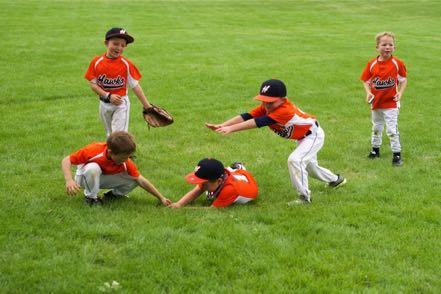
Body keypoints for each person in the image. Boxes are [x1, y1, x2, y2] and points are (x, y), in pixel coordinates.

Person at [205, 79, 346, 205]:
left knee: (295, 160)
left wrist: (231, 129)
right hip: (302, 137)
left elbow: (257, 122)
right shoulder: (266, 107)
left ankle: (304, 198)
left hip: (312, 135)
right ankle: (336, 180)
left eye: (270, 101)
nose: (266, 104)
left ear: (283, 100)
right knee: (309, 167)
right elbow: (247, 116)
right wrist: (223, 125)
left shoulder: (285, 110)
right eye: (263, 100)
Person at [61, 131, 171, 206]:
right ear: (110, 152)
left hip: (102, 179)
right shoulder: (94, 150)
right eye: (123, 157)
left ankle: (113, 196)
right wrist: (69, 180)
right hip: (84, 178)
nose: (126, 159)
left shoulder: (126, 161)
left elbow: (141, 180)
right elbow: (66, 160)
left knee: (134, 179)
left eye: (128, 156)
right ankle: (91, 198)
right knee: (93, 168)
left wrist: (161, 198)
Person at [85, 27, 158, 136]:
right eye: (115, 43)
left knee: (119, 135)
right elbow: (93, 85)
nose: (119, 47)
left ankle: (124, 153)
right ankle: (112, 153)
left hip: (121, 104)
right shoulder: (96, 62)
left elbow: (135, 86)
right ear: (106, 43)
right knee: (110, 134)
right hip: (104, 104)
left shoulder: (126, 64)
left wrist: (148, 107)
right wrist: (108, 96)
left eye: (123, 45)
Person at [360, 32, 408, 166]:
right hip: (376, 103)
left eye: (390, 45)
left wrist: (400, 93)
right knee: (376, 127)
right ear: (377, 47)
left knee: (392, 130)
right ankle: (375, 151)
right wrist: (368, 92)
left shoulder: (397, 63)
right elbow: (365, 80)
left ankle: (397, 155)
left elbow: (403, 80)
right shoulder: (371, 64)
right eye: (384, 44)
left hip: (391, 103)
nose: (387, 47)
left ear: (394, 47)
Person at [169, 158, 258, 208]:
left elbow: (212, 209)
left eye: (204, 183)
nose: (201, 185)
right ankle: (237, 168)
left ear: (219, 181)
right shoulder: (214, 180)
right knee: (230, 171)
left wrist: (185, 210)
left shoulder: (230, 189)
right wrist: (179, 204)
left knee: (237, 172)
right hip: (236, 175)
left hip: (247, 183)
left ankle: (239, 168)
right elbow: (195, 192)